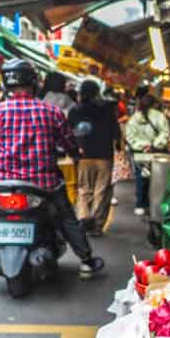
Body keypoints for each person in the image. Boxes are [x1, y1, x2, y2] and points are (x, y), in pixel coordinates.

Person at [0, 59, 103, 284]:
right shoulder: (51, 112)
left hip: (5, 182)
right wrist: (76, 153)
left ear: (6, 84)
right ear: (34, 83)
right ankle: (86, 261)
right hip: (44, 184)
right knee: (67, 218)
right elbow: (69, 144)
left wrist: (0, 156)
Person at [68, 80, 121, 236]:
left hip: (83, 154)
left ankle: (83, 218)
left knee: (84, 189)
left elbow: (69, 132)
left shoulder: (75, 111)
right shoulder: (107, 109)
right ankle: (96, 224)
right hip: (104, 154)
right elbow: (115, 132)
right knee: (102, 191)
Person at [125, 93, 170, 216]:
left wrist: (142, 145)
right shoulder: (159, 116)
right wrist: (154, 144)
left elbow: (129, 136)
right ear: (154, 104)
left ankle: (140, 204)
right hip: (156, 152)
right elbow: (165, 133)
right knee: (156, 178)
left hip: (140, 153)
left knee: (141, 177)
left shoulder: (134, 118)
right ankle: (154, 205)